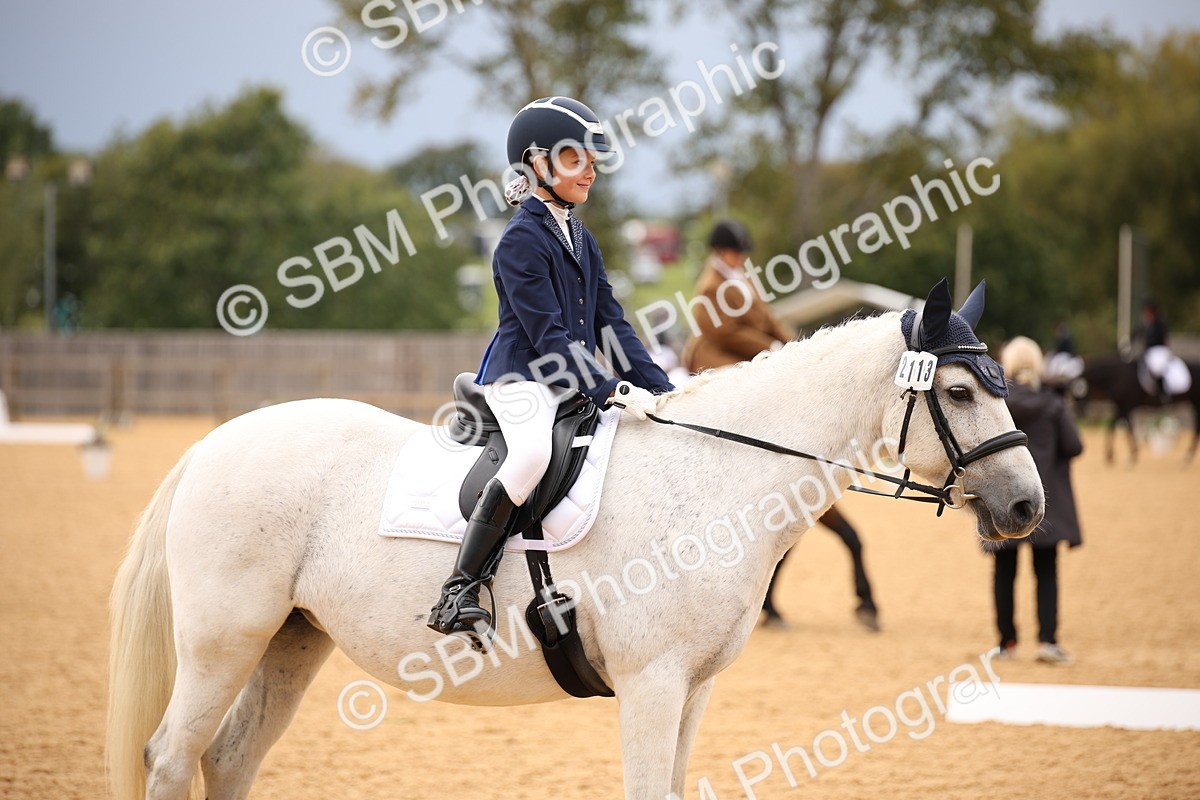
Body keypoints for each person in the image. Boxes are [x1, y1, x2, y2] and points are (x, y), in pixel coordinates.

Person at [427, 97, 675, 638]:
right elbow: (549, 337)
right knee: (532, 453)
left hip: (570, 380)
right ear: (537, 163)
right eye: (575, 158)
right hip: (522, 379)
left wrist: (663, 388)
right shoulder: (520, 240)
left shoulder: (582, 238)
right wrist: (611, 387)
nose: (590, 169)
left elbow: (614, 323)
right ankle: (460, 587)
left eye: (592, 159)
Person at [992, 336, 1084, 664]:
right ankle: (1047, 641)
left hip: (1004, 500)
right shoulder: (1052, 404)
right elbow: (1075, 446)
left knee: (1005, 571)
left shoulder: (997, 403)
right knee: (1046, 571)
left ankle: (1006, 643)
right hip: (1046, 503)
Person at [681, 220, 794, 372]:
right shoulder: (710, 287)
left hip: (751, 345)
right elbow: (727, 334)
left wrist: (791, 342)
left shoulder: (742, 274)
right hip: (720, 353)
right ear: (719, 250)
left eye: (743, 252)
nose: (742, 256)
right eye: (736, 252)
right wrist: (771, 346)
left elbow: (764, 313)